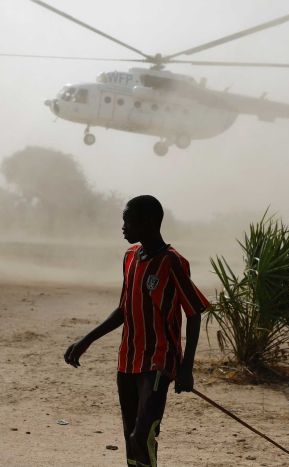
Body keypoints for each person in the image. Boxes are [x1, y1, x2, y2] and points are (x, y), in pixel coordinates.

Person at [64, 195, 210, 467]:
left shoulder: (172, 262)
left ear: (150, 222)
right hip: (128, 359)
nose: (123, 226)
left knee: (143, 435)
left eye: (128, 220)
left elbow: (193, 312)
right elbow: (123, 309)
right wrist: (86, 340)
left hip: (158, 361)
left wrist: (186, 368)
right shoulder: (130, 256)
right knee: (130, 437)